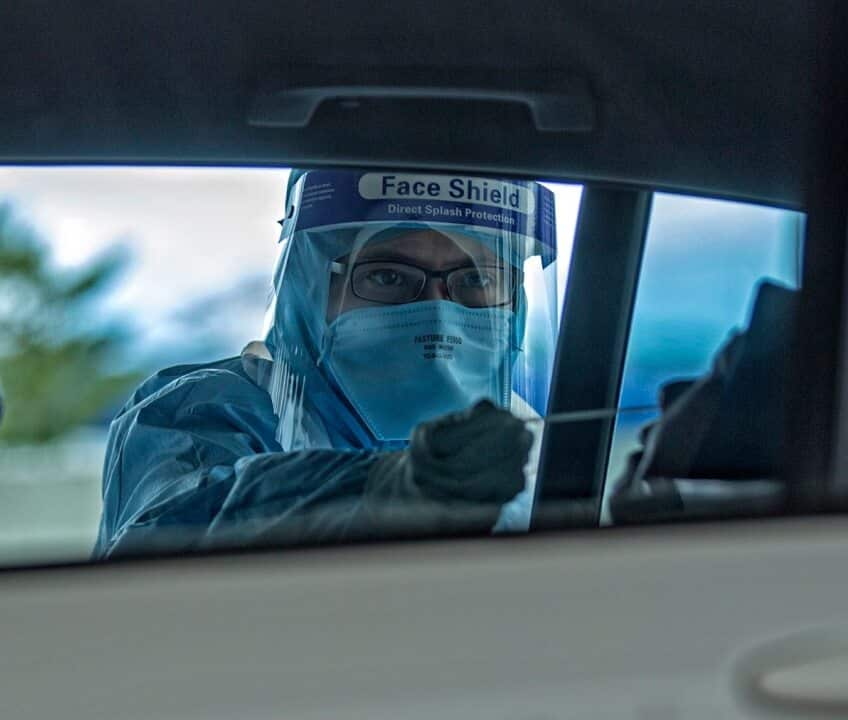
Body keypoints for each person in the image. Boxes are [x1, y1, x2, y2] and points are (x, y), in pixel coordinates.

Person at [95, 169, 560, 558]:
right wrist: (383, 495)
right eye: (386, 276)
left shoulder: (526, 437)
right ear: (310, 289)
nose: (438, 311)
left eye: (477, 278)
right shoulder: (204, 411)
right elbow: (173, 532)